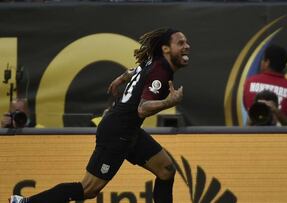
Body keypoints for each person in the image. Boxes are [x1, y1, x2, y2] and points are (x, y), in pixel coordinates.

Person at [9, 27, 190, 203]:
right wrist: (170, 102)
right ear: (166, 48)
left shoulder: (155, 61)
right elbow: (142, 109)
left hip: (129, 131)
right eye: (180, 43)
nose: (186, 46)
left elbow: (137, 70)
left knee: (166, 170)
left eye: (186, 42)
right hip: (116, 133)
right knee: (88, 189)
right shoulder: (161, 71)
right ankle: (25, 202)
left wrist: (122, 77)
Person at [243, 44, 287, 125]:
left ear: (267, 62)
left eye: (263, 60)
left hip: (254, 135)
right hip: (281, 137)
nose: (261, 62)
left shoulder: (250, 83)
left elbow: (248, 110)